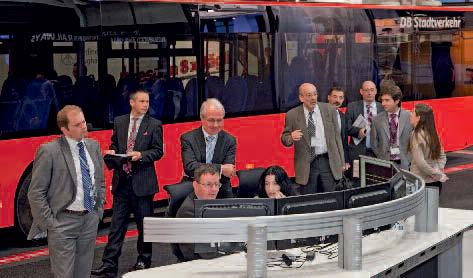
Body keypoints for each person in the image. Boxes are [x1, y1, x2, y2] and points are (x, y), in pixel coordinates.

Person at [92, 89, 163, 276]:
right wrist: (112, 151)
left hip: (143, 184)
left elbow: (158, 151)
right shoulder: (120, 121)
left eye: (147, 101)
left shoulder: (154, 124)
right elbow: (115, 143)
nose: (146, 105)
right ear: (132, 103)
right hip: (122, 183)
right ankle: (109, 264)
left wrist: (141, 155)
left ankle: (144, 260)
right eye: (142, 101)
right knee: (116, 227)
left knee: (143, 226)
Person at [28, 105, 105, 278]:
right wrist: (50, 223)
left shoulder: (93, 146)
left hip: (89, 220)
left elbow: (99, 180)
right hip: (62, 223)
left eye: (84, 122)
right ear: (64, 129)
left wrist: (98, 211)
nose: (84, 127)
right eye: (77, 125)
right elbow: (35, 192)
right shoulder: (49, 151)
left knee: (83, 273)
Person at [281, 83, 344, 194]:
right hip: (307, 163)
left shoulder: (329, 109)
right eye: (309, 95)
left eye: (315, 94)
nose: (313, 98)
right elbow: (284, 138)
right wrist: (291, 137)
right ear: (301, 98)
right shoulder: (292, 115)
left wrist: (342, 162)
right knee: (309, 198)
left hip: (328, 161)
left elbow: (337, 138)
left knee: (332, 196)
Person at [180, 98, 236, 198]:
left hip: (220, 188)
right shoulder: (188, 138)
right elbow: (190, 167)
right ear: (202, 118)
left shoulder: (230, 140)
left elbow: (229, 172)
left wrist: (223, 170)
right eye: (211, 120)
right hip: (194, 187)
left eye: (219, 120)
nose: (215, 125)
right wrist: (221, 168)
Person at [176, 164, 221, 261]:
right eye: (208, 185)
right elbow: (207, 254)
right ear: (195, 185)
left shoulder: (207, 202)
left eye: (217, 184)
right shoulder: (188, 212)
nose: (214, 189)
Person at [345, 81, 384, 177]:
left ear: (376, 91)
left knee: (376, 180)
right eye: (366, 90)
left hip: (377, 153)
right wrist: (358, 132)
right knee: (356, 179)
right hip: (357, 152)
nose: (369, 93)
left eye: (372, 90)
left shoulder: (383, 107)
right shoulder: (352, 107)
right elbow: (346, 127)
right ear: (361, 91)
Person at [371, 84, 412, 170]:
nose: (383, 103)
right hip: (385, 164)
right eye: (382, 100)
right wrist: (381, 156)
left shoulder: (409, 116)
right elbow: (374, 143)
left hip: (405, 163)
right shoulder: (376, 119)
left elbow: (414, 140)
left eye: (387, 100)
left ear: (397, 101)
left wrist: (410, 158)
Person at [408, 103, 448, 192]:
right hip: (436, 183)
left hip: (420, 184)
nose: (410, 115)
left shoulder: (416, 135)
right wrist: (437, 172)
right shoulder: (433, 133)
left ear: (418, 118)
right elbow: (442, 156)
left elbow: (420, 162)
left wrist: (435, 174)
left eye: (412, 112)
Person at [327, 86, 350, 171]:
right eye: (335, 97)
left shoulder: (343, 117)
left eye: (340, 97)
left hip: (338, 161)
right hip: (322, 159)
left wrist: (346, 160)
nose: (337, 100)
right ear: (328, 97)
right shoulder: (319, 114)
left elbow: (344, 142)